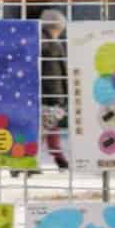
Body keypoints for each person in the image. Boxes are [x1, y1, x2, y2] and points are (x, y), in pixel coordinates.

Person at [39, 9, 69, 171]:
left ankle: (59, 158)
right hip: (50, 96)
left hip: (48, 96)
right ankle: (57, 158)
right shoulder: (49, 44)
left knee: (48, 129)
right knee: (46, 130)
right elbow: (60, 71)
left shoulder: (48, 42)